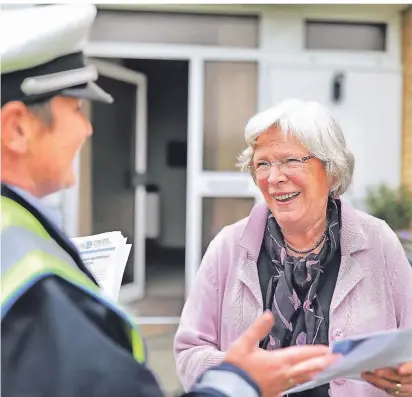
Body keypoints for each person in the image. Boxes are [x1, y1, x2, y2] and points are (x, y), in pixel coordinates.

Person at [1, 5, 339, 397]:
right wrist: (238, 383)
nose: (87, 128)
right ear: (17, 128)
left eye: (291, 161)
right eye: (75, 109)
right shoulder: (29, 280)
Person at [174, 98, 412, 397]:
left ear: (333, 171)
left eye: (290, 160)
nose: (274, 178)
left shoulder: (378, 241)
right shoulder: (229, 246)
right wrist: (243, 377)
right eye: (263, 164)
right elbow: (189, 351)